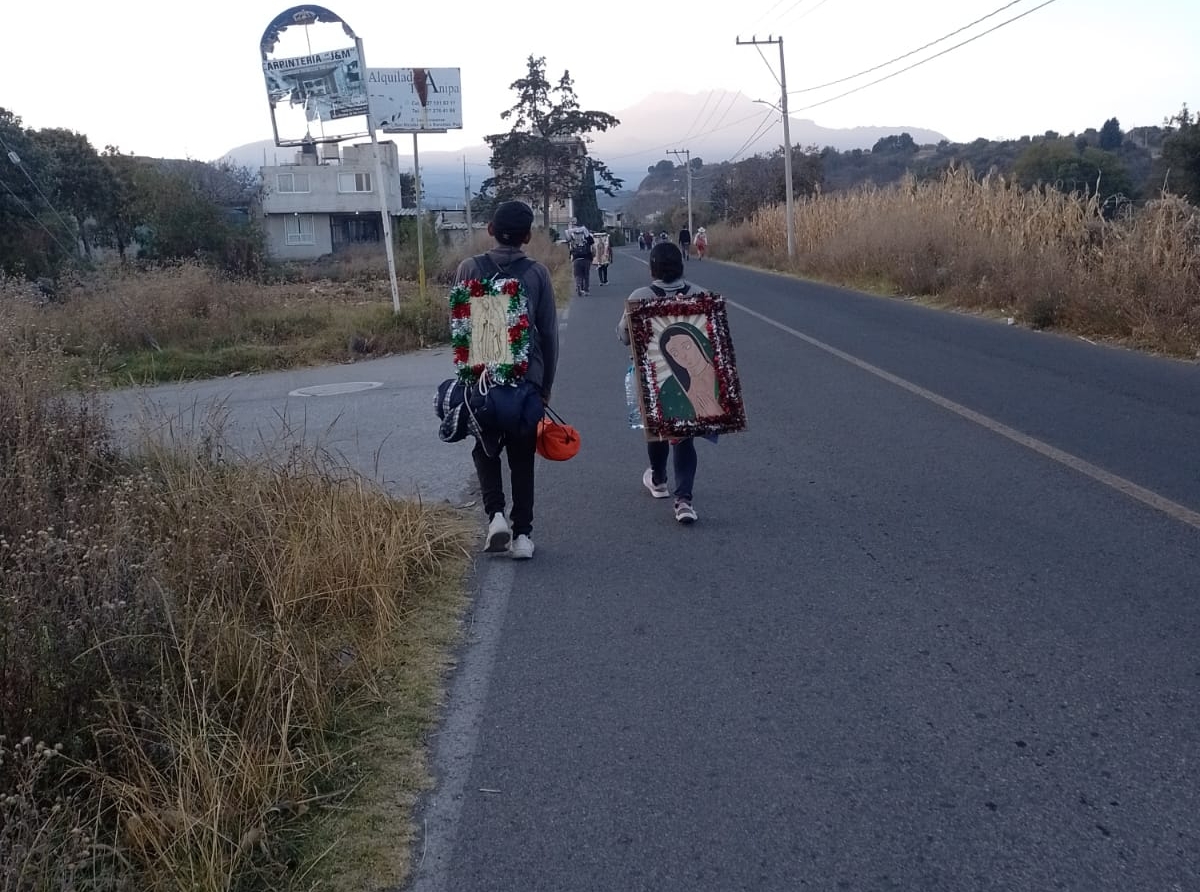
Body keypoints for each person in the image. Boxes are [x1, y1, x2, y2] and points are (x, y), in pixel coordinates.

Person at [454, 200, 559, 559]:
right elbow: (548, 335)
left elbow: (459, 328)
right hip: (524, 384)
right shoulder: (537, 274)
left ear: (490, 230)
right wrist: (544, 388)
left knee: (485, 449)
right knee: (522, 456)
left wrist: (467, 377)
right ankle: (523, 536)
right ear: (528, 236)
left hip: (481, 383)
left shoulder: (469, 267)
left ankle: (495, 515)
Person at [615, 241, 706, 525]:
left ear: (652, 268)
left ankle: (658, 479)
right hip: (691, 379)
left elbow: (624, 336)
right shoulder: (699, 294)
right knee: (684, 436)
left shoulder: (640, 296)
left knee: (655, 429)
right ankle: (684, 502)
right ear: (681, 266)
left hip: (652, 376)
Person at [564, 217, 594, 296]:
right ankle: (586, 290)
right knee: (586, 275)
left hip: (576, 258)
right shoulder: (587, 235)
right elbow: (592, 243)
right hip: (586, 258)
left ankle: (578, 285)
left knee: (578, 274)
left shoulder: (572, 235)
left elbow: (567, 239)